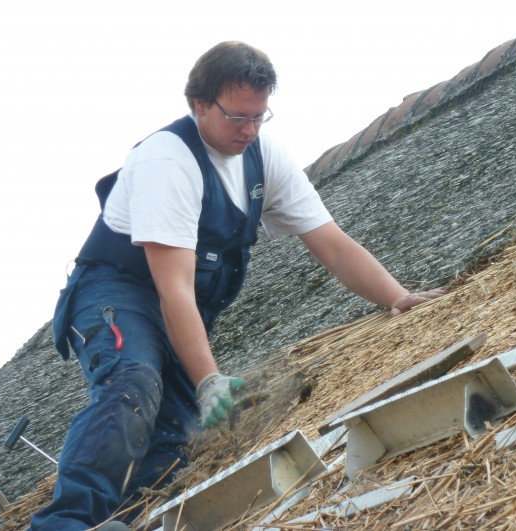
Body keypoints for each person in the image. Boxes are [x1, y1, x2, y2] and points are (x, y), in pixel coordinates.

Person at [31, 41, 444, 530]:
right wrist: (209, 380)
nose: (249, 130)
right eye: (236, 118)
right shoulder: (168, 161)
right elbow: (174, 290)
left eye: (259, 117)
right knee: (133, 382)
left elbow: (331, 244)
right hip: (117, 296)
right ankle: (66, 523)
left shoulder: (264, 158)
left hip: (179, 311)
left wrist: (396, 296)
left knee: (178, 446)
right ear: (198, 103)